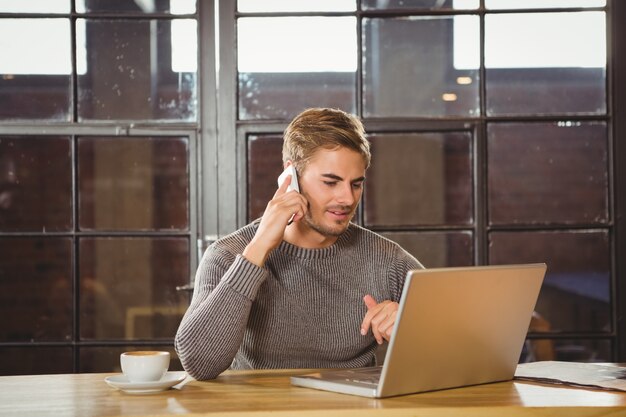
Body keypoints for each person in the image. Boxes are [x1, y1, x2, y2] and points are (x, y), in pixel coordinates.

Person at [175, 107, 424, 380]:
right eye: (331, 182)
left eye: (356, 184)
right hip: (260, 411)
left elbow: (468, 344)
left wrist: (412, 324)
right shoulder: (227, 255)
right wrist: (257, 252)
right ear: (291, 177)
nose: (347, 199)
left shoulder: (388, 260)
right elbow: (198, 364)